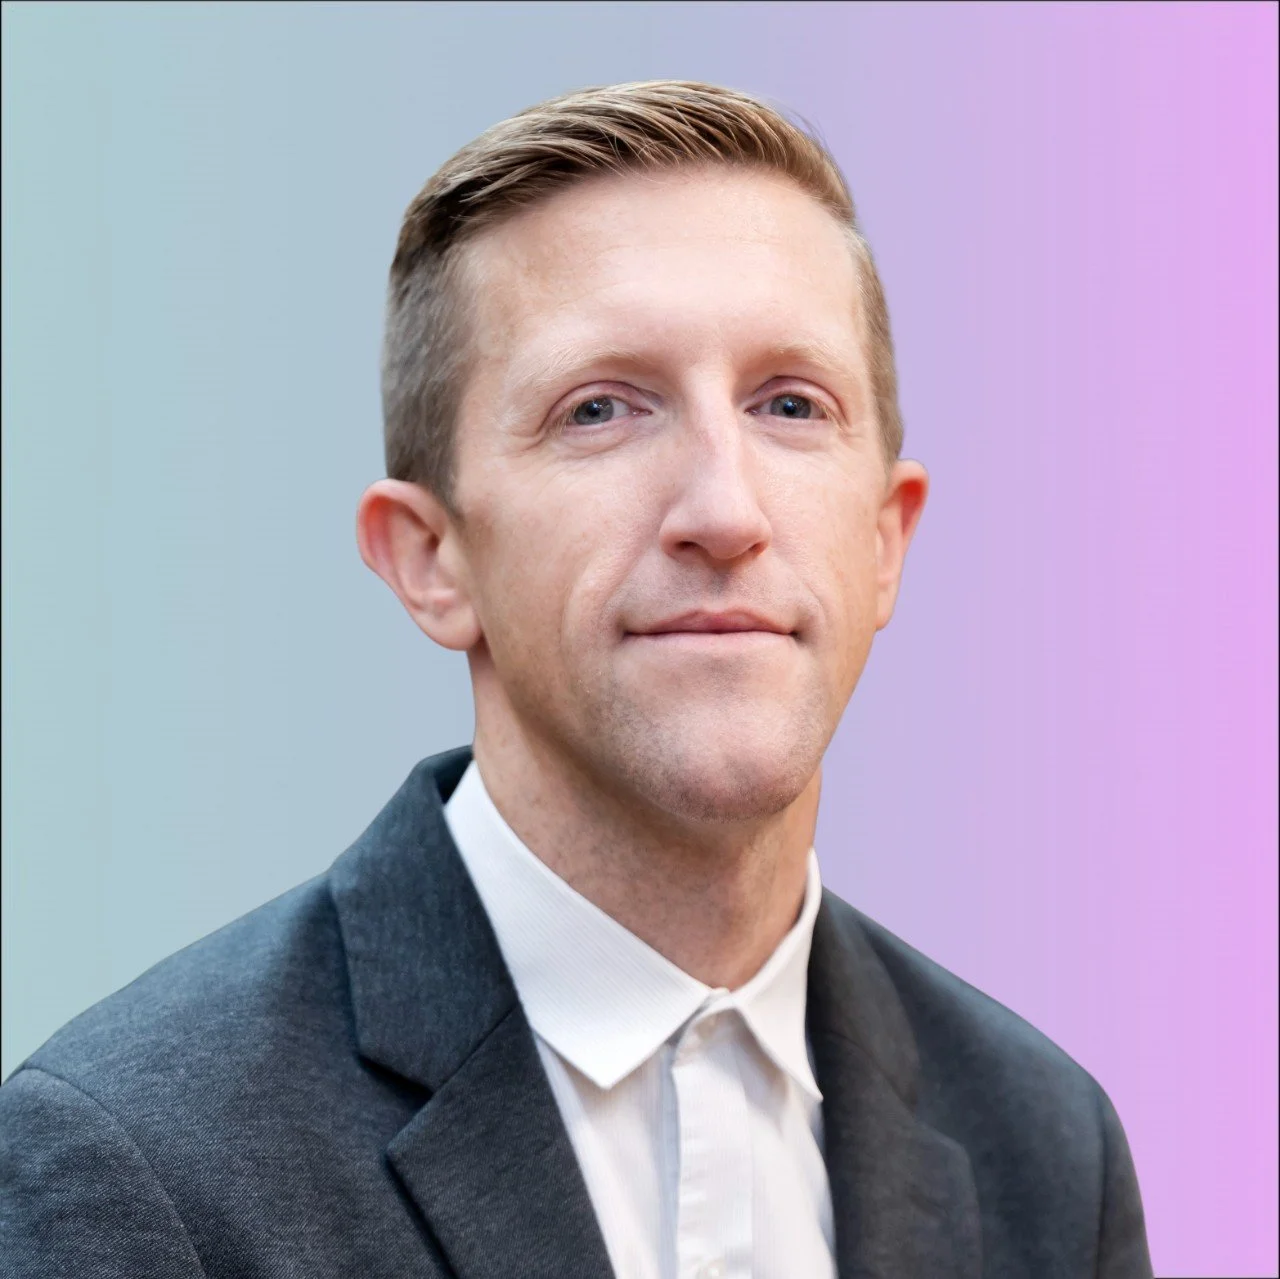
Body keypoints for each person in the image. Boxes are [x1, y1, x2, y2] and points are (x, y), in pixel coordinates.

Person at [0, 80, 1153, 1278]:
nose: (725, 511)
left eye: (788, 403)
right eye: (599, 408)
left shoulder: (1046, 1149)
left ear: (884, 542)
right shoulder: (138, 1166)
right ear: (429, 558)